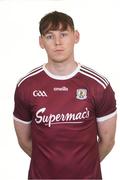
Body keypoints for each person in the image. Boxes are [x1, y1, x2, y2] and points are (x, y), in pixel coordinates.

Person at [13, 11, 117, 179]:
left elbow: (108, 141)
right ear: (41, 42)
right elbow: (24, 141)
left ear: (76, 37)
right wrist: (49, 166)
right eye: (49, 36)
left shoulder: (98, 85)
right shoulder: (26, 86)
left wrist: (83, 167)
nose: (58, 42)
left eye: (64, 34)